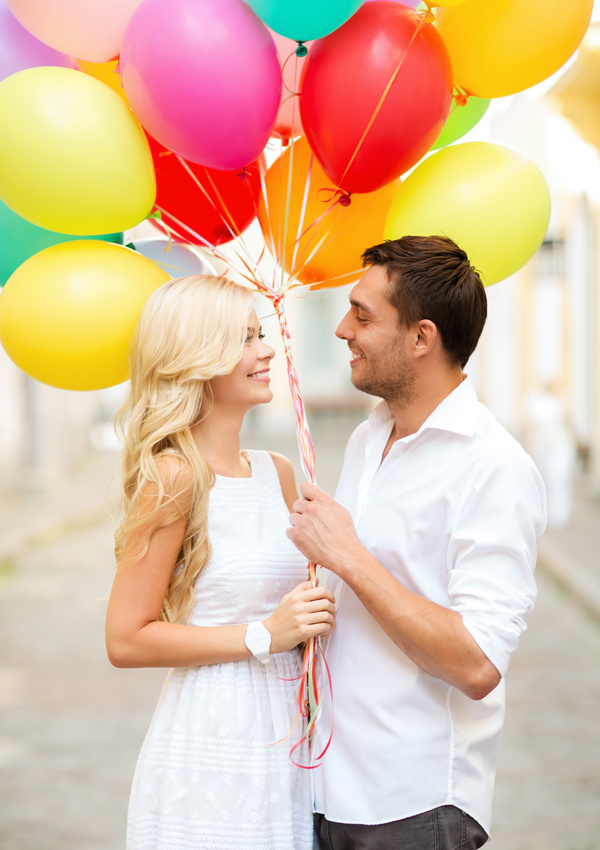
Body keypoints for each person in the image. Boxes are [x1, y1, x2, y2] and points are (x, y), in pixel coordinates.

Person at [287, 236, 547, 849]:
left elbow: (477, 664)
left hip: (412, 807)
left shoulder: (495, 468)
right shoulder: (367, 438)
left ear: (421, 338)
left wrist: (347, 556)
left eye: (363, 314)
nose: (343, 329)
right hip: (324, 791)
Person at [105, 274, 336, 850]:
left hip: (293, 734)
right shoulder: (174, 476)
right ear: (197, 357)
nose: (266, 351)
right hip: (215, 731)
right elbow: (126, 639)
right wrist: (264, 634)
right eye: (245, 339)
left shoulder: (278, 471)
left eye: (261, 334)